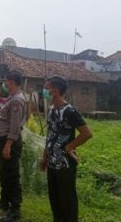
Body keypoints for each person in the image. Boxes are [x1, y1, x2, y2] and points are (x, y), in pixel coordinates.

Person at [40, 76, 92, 222]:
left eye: (46, 87)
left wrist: (70, 146)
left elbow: (87, 133)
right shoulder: (51, 110)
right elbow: (50, 135)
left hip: (65, 164)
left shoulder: (69, 111)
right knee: (55, 199)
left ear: (55, 91)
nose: (44, 91)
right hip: (52, 163)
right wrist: (45, 157)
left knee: (67, 201)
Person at [0, 71, 27, 222]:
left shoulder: (17, 101)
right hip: (5, 142)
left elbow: (14, 126)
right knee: (5, 173)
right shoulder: (12, 98)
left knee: (12, 175)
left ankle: (15, 210)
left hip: (10, 142)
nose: (4, 84)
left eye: (5, 81)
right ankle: (4, 202)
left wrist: (8, 145)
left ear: (11, 82)